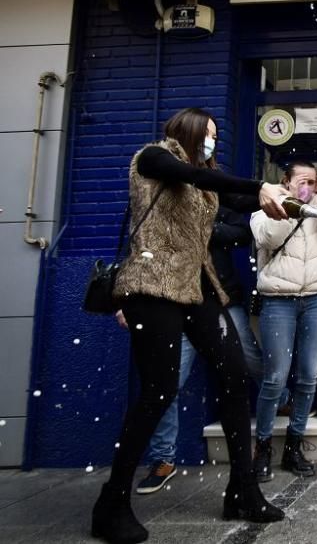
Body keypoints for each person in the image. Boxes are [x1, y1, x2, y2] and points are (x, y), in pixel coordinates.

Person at [95, 108, 287, 544]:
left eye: (216, 137)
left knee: (235, 376)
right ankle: (112, 502)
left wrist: (282, 200)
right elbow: (194, 176)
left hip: (198, 289)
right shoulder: (154, 159)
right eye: (209, 135)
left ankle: (242, 489)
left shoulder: (205, 180)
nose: (212, 143)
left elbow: (234, 199)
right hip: (153, 286)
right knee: (158, 390)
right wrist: (259, 186)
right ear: (189, 131)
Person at [130, 204, 265, 495]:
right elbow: (142, 253)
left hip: (223, 299)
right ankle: (163, 459)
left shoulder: (212, 201)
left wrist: (207, 229)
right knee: (168, 383)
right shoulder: (159, 208)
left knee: (249, 362)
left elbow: (242, 232)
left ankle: (279, 400)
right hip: (180, 306)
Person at [251, 161, 317, 482]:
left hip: (314, 302)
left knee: (308, 377)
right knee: (276, 378)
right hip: (278, 302)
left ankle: (293, 446)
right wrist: (291, 208)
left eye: (312, 181)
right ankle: (263, 448)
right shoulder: (263, 210)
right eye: (302, 181)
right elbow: (266, 239)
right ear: (287, 182)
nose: (307, 186)